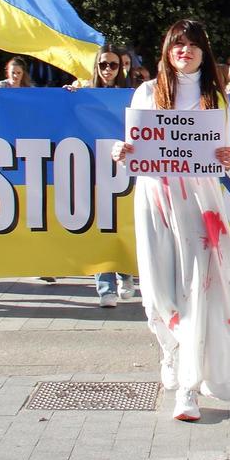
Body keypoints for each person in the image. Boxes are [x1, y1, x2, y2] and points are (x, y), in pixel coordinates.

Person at [113, 19, 230, 422]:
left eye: (191, 45)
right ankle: (170, 349)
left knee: (195, 290)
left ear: (204, 52)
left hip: (198, 204)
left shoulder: (216, 100)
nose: (183, 51)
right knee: (155, 290)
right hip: (155, 198)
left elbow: (224, 152)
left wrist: (228, 157)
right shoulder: (147, 92)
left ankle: (187, 389)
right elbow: (136, 145)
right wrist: (123, 151)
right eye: (176, 44)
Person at [81, 44, 138, 305]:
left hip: (125, 168)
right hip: (95, 169)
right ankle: (105, 288)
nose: (107, 70)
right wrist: (71, 96)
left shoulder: (133, 95)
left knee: (124, 222)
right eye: (102, 64)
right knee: (101, 226)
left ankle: (125, 274)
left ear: (121, 67)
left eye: (113, 65)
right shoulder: (85, 92)